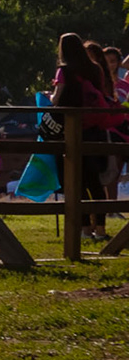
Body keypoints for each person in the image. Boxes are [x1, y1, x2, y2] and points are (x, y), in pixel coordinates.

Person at [51, 33, 114, 240]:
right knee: (94, 181)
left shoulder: (64, 70)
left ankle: (85, 228)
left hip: (72, 130)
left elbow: (56, 99)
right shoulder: (95, 69)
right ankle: (101, 228)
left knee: (75, 181)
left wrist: (49, 96)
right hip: (94, 129)